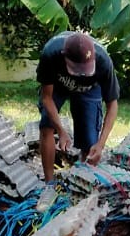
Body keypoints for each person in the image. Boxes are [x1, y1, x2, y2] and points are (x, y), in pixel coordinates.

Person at [35, 30, 119, 188]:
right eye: (77, 68)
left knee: (89, 142)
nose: (80, 74)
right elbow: (47, 97)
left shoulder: (103, 61)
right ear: (64, 56)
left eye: (84, 69)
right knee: (47, 126)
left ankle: (81, 184)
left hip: (89, 89)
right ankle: (49, 184)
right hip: (57, 85)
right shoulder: (51, 54)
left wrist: (101, 144)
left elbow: (112, 105)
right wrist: (61, 131)